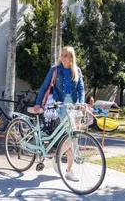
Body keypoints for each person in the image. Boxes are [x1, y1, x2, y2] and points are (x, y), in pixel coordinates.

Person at [34, 46, 84, 182]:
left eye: (66, 56)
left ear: (71, 58)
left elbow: (81, 89)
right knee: (72, 137)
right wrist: (38, 103)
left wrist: (81, 103)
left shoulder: (77, 71)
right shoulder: (55, 70)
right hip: (60, 106)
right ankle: (64, 165)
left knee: (74, 138)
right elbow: (45, 86)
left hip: (74, 107)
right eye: (62, 55)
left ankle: (66, 167)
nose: (63, 58)